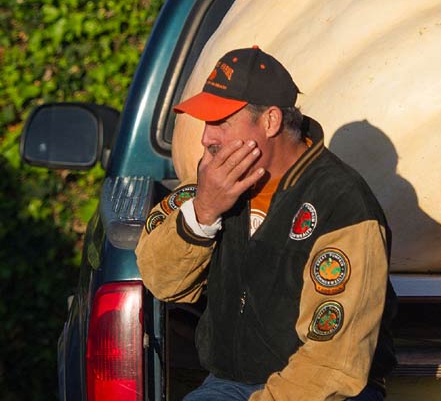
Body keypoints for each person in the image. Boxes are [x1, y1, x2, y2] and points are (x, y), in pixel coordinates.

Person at [136, 46, 397, 401]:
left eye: (221, 121)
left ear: (271, 121)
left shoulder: (343, 204)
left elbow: (333, 364)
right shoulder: (213, 182)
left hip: (327, 393)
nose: (206, 137)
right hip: (228, 384)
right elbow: (161, 281)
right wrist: (203, 213)